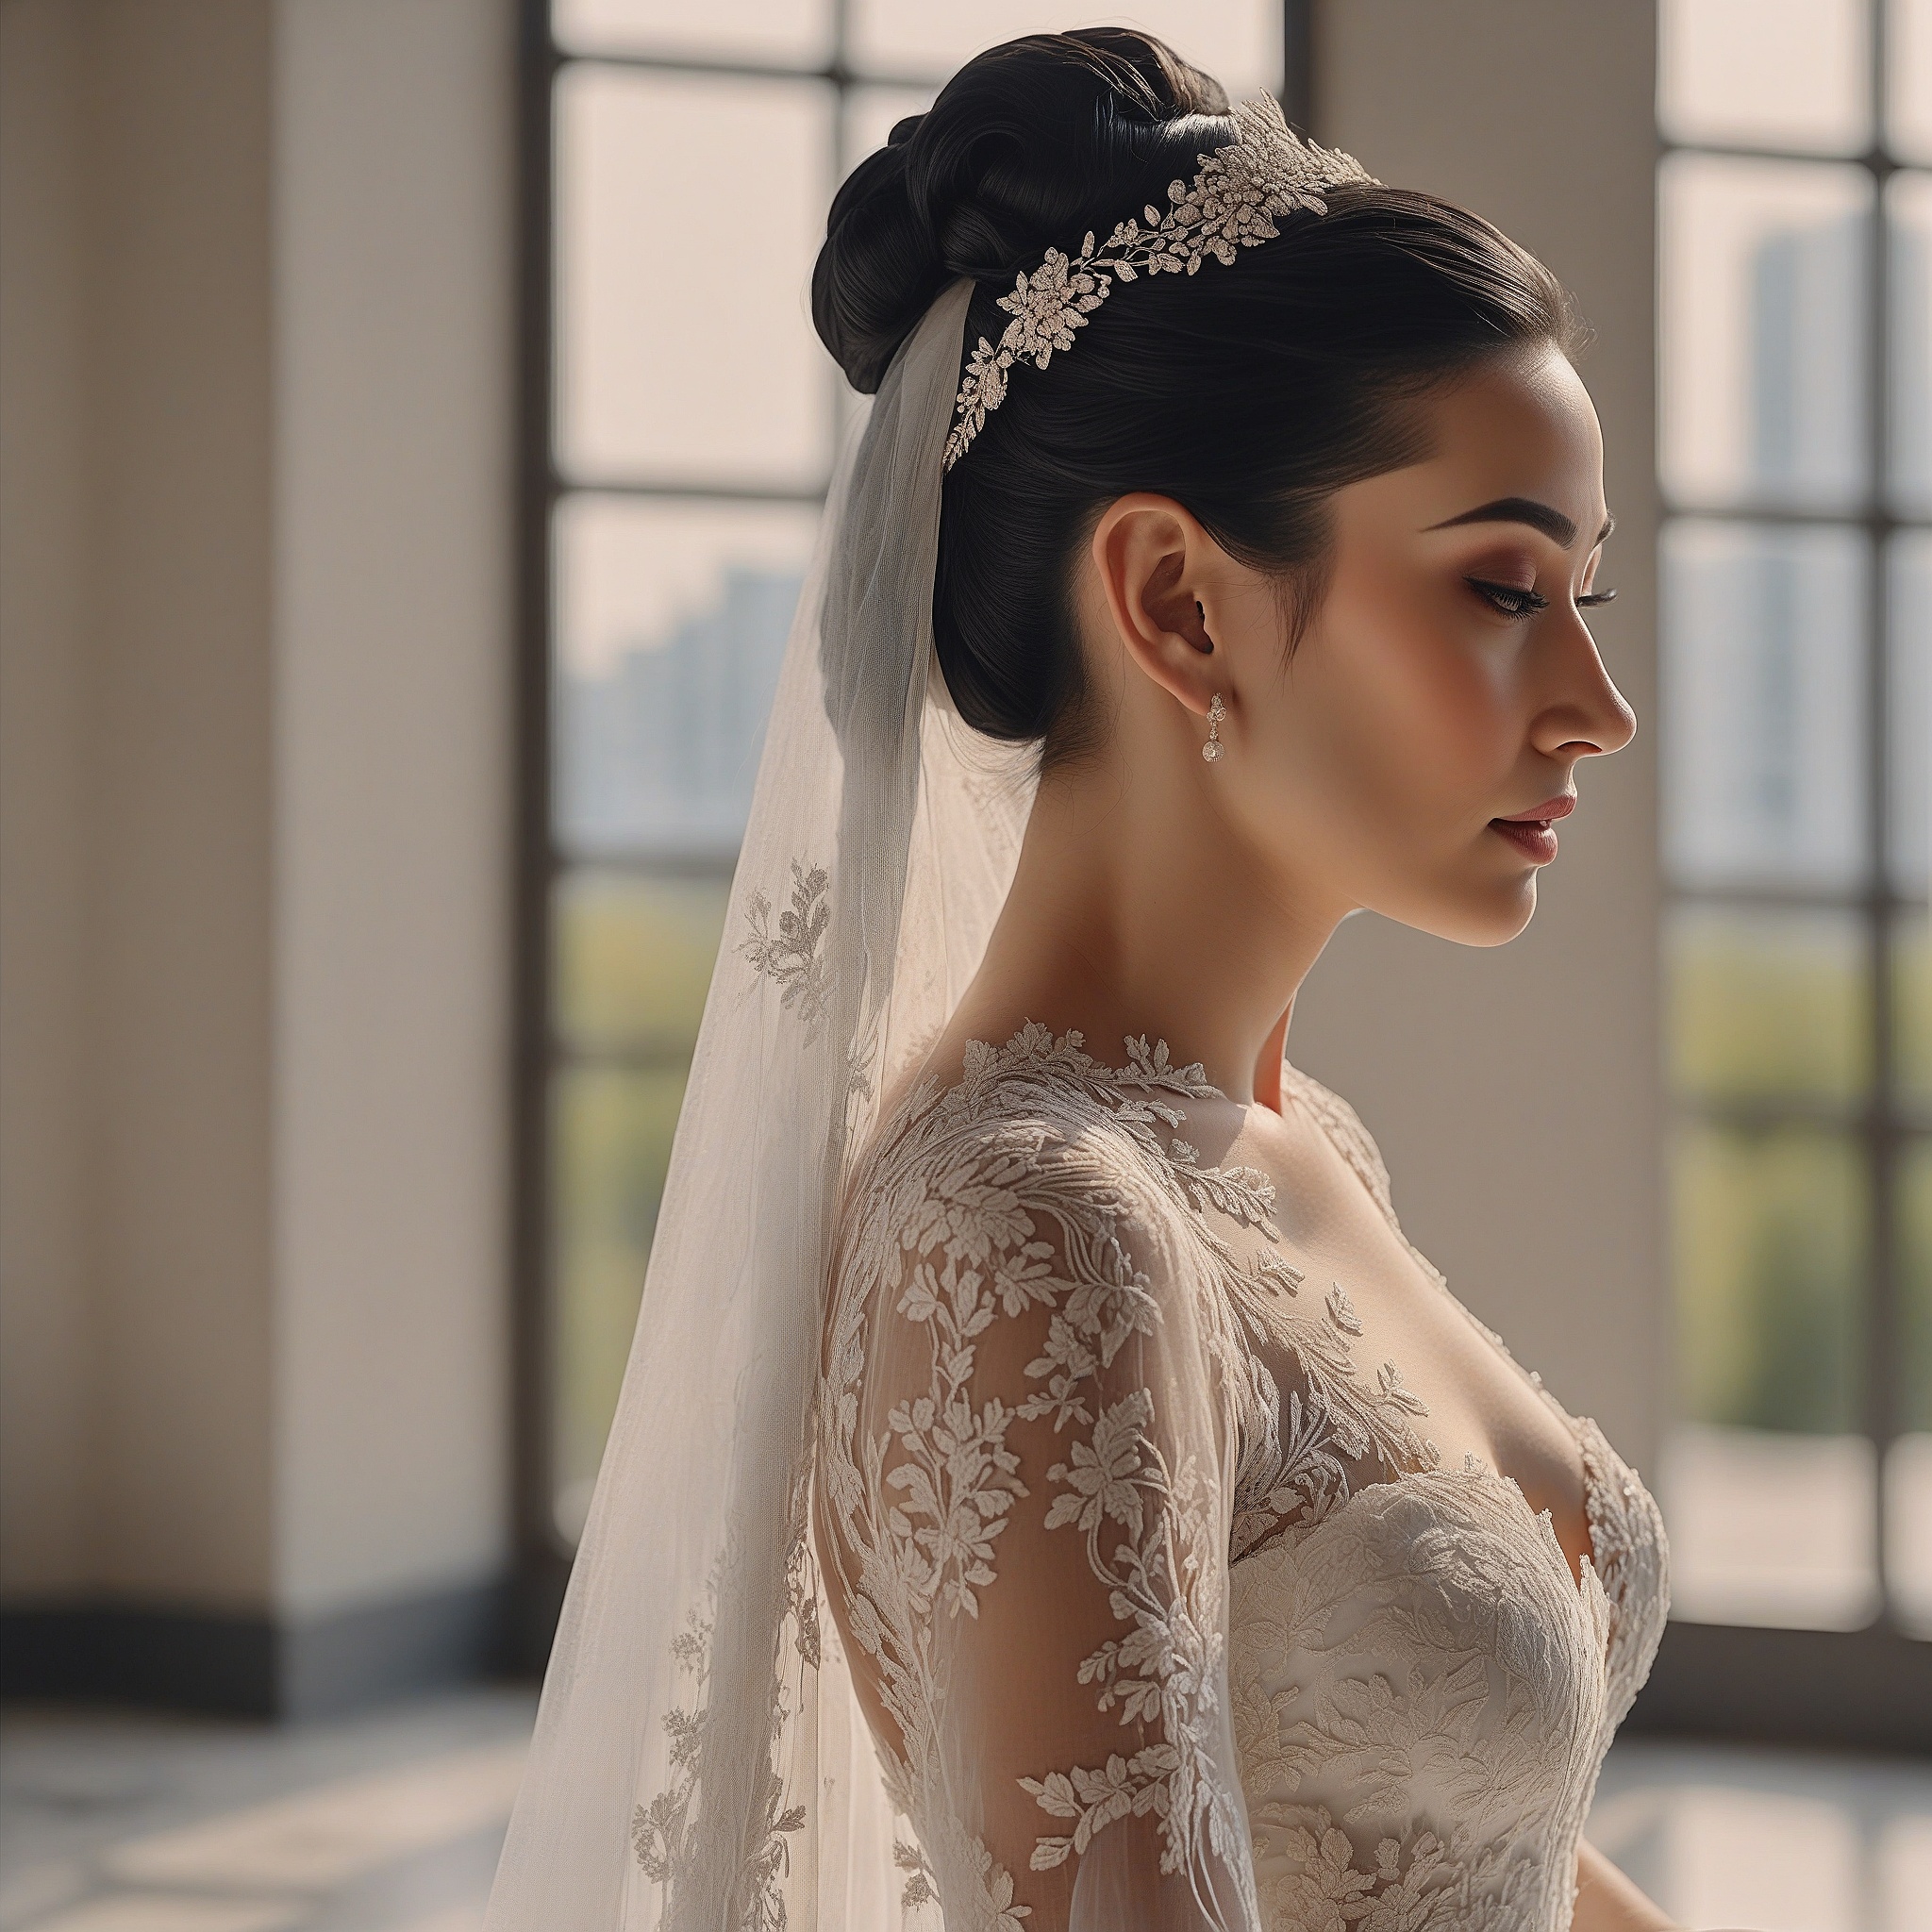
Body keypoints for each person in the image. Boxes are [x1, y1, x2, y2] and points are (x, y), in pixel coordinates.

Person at [487, 28, 1674, 1932]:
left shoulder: (1292, 1152)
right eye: (1498, 588)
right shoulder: (1034, 1233)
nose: (1596, 711)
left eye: (1579, 596)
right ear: (1177, 602)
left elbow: (1474, 1849)